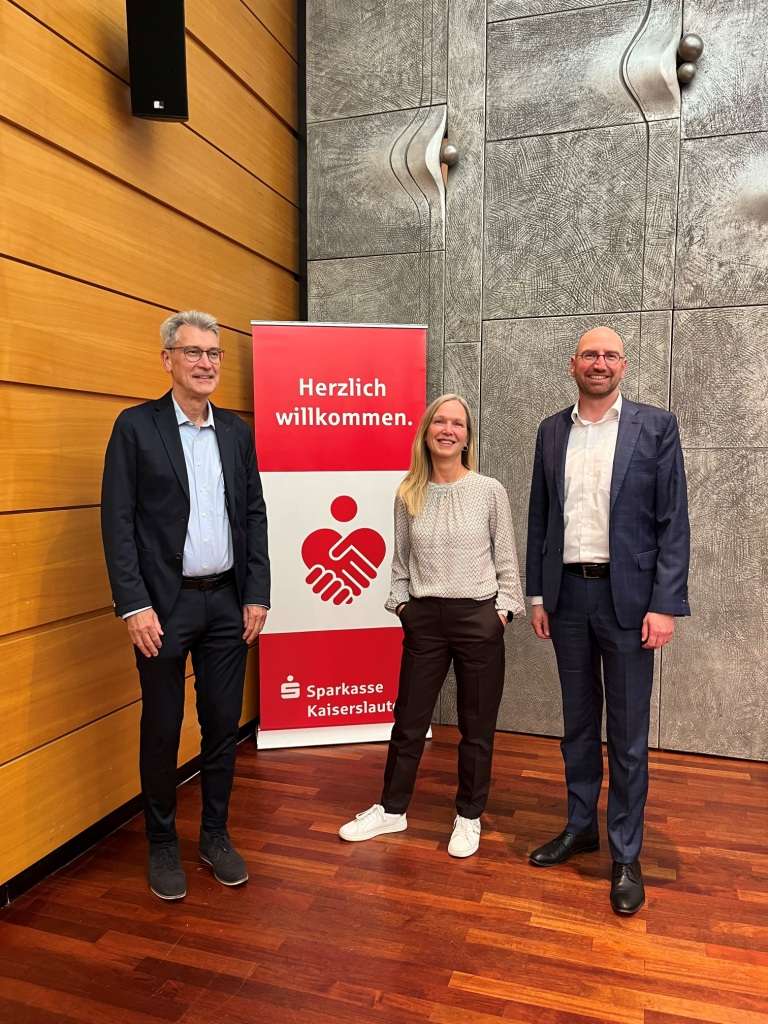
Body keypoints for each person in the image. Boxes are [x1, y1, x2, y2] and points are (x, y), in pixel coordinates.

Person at [101, 310, 270, 901]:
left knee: (222, 726)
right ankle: (162, 842)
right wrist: (133, 605)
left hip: (226, 603)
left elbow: (253, 513)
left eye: (213, 353)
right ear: (167, 360)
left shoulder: (236, 433)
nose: (205, 363)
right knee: (162, 726)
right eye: (193, 352)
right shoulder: (135, 428)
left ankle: (215, 836)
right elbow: (118, 522)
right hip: (162, 609)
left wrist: (256, 592)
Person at [525, 326, 690, 914]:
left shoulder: (656, 426)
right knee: (576, 725)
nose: (600, 362)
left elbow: (672, 521)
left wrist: (665, 603)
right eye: (590, 354)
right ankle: (580, 827)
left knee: (626, 733)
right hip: (567, 597)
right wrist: (537, 595)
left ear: (624, 365)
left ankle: (625, 852)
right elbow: (540, 518)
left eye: (610, 355)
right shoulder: (551, 431)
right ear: (573, 364)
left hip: (630, 603)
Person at [339, 394, 525, 858]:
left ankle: (469, 815)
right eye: (439, 422)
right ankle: (392, 809)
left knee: (476, 726)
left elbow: (507, 561)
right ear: (426, 433)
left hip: (478, 618)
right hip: (424, 619)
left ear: (467, 436)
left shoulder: (489, 491)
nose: (448, 430)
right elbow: (400, 563)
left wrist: (501, 614)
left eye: (457, 424)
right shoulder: (409, 492)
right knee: (408, 721)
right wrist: (403, 607)